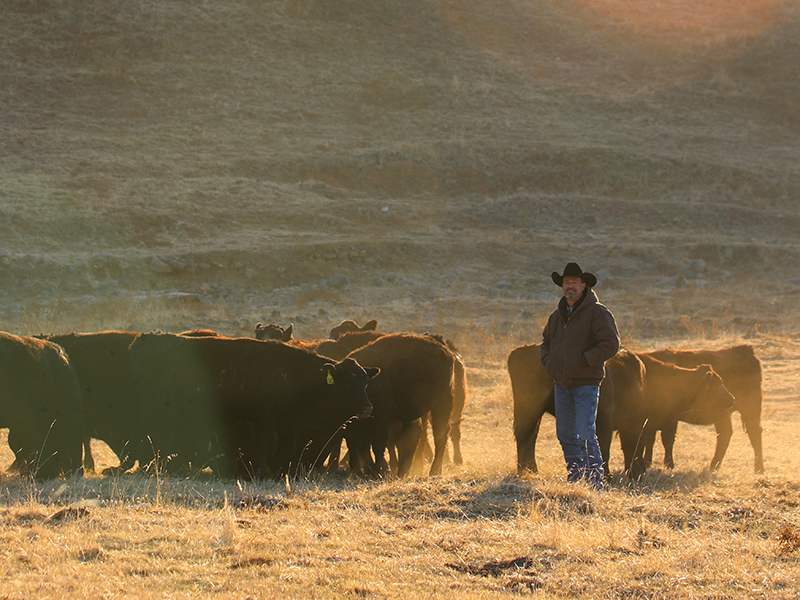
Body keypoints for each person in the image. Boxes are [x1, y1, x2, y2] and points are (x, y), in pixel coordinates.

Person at [540, 262, 620, 490]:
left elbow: (611, 344)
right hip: (561, 384)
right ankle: (576, 479)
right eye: (567, 283)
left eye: (575, 282)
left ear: (584, 286)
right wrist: (549, 362)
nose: (570, 287)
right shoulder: (557, 316)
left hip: (586, 384)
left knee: (585, 433)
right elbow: (546, 343)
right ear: (562, 286)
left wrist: (585, 361)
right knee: (565, 434)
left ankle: (595, 483)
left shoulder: (597, 313)